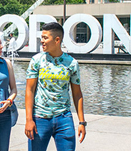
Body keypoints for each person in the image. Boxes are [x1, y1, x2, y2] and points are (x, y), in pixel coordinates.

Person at [25, 22, 86, 151]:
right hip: (40, 118)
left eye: (45, 38)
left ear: (57, 40)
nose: (42, 41)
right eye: (41, 37)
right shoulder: (36, 60)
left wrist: (81, 122)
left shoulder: (71, 63)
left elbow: (77, 94)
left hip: (64, 119)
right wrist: (29, 120)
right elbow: (29, 90)